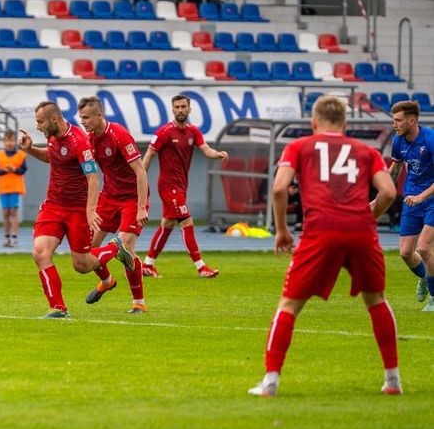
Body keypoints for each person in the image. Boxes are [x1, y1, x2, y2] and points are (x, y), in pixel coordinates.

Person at [248, 96, 400, 397]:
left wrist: (281, 231)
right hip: (361, 231)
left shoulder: (299, 147)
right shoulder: (366, 151)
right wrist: (366, 218)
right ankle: (392, 380)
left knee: (289, 305)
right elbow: (389, 192)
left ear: (313, 123)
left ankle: (271, 382)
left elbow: (279, 188)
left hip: (321, 231)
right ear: (345, 124)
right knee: (376, 300)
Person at [17, 101, 109, 319]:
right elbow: (52, 157)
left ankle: (115, 249)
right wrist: (30, 149)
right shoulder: (52, 137)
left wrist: (90, 210)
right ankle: (58, 308)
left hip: (77, 209)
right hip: (53, 206)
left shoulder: (79, 141)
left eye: (40, 122)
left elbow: (93, 177)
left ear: (54, 120)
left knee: (82, 265)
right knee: (40, 253)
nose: (38, 127)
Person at [140, 94, 229, 278]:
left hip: (181, 186)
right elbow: (148, 155)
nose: (180, 110)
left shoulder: (193, 131)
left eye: (183, 106)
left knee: (168, 223)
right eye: (177, 107)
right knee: (187, 221)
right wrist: (138, 178)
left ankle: (147, 264)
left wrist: (217, 154)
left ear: (189, 109)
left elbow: (206, 149)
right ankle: (201, 267)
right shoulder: (164, 132)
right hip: (168, 186)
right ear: (172, 110)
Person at [77, 96, 148, 313]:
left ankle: (139, 304)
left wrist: (141, 207)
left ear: (99, 115)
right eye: (81, 118)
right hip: (108, 198)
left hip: (132, 199)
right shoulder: (90, 140)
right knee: (88, 250)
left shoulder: (119, 135)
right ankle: (107, 281)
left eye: (87, 118)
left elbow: (140, 171)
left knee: (126, 248)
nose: (84, 122)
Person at [388, 100, 434, 309]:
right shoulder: (398, 140)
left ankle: (433, 300)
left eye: (398, 120)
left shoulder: (431, 139)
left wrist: (422, 196)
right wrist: (383, 193)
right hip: (412, 199)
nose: (394, 124)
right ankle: (425, 278)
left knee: (424, 248)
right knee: (406, 253)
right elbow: (395, 168)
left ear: (412, 120)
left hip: (431, 198)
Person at [0, 131, 27, 248]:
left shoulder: (21, 155)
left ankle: (14, 237)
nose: (9, 143)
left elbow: (23, 170)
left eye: (12, 140)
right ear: (4, 142)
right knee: (5, 213)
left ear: (15, 141)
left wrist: (14, 170)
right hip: (3, 187)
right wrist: (5, 171)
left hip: (15, 187)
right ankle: (6, 236)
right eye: (7, 140)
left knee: (14, 212)